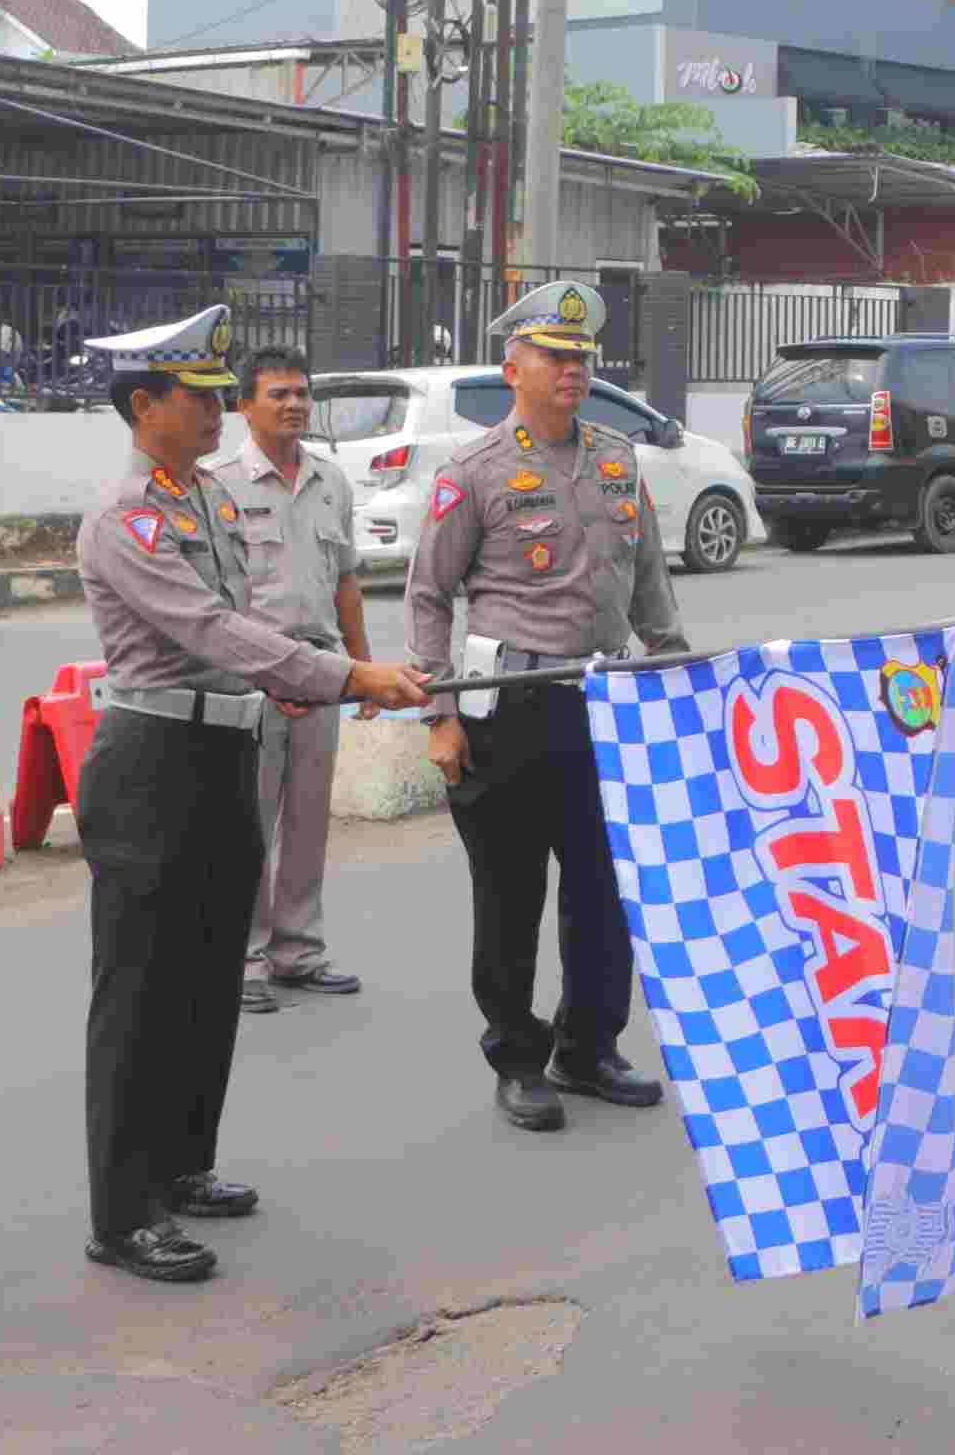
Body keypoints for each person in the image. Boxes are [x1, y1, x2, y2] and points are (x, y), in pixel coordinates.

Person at [72, 305, 433, 1284]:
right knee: (139, 993)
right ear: (146, 405)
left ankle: (184, 1164)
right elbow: (210, 631)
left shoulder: (209, 503)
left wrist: (324, 671)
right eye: (199, 397)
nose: (217, 413)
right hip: (153, 757)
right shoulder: (129, 517)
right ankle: (123, 1209)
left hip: (228, 750)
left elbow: (250, 633)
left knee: (204, 984)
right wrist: (350, 676)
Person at [409, 280, 689, 1132]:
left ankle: (590, 1045)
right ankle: (518, 1055)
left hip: (606, 704)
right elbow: (429, 595)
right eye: (555, 357)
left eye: (582, 358)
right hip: (509, 708)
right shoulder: (473, 473)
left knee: (605, 890)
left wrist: (673, 669)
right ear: (513, 368)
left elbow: (647, 580)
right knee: (510, 892)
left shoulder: (616, 457)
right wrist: (440, 715)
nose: (573, 370)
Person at [208, 347, 367, 1014]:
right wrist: (255, 678)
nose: (295, 405)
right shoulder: (217, 484)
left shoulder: (332, 481)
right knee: (249, 824)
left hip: (323, 670)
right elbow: (212, 600)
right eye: (279, 394)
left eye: (302, 393)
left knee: (307, 821)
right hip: (251, 678)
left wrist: (359, 669)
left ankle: (296, 949)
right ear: (245, 406)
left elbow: (348, 579)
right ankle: (239, 958)